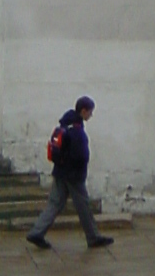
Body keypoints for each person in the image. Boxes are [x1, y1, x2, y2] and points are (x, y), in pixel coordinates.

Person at [26, 96, 112, 249]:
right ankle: (93, 237)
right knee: (83, 207)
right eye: (90, 112)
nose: (91, 116)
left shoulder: (65, 124)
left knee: (54, 204)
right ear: (83, 111)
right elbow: (81, 155)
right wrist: (80, 169)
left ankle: (37, 232)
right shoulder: (77, 130)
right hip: (74, 176)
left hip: (60, 171)